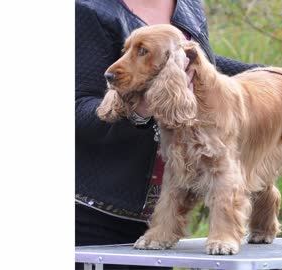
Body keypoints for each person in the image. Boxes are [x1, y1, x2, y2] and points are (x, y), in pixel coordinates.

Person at [75, 0, 263, 269]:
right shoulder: (88, 9)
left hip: (162, 224)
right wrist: (140, 109)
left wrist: (265, 73)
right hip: (100, 217)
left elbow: (200, 61)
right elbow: (76, 109)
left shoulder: (188, 5)